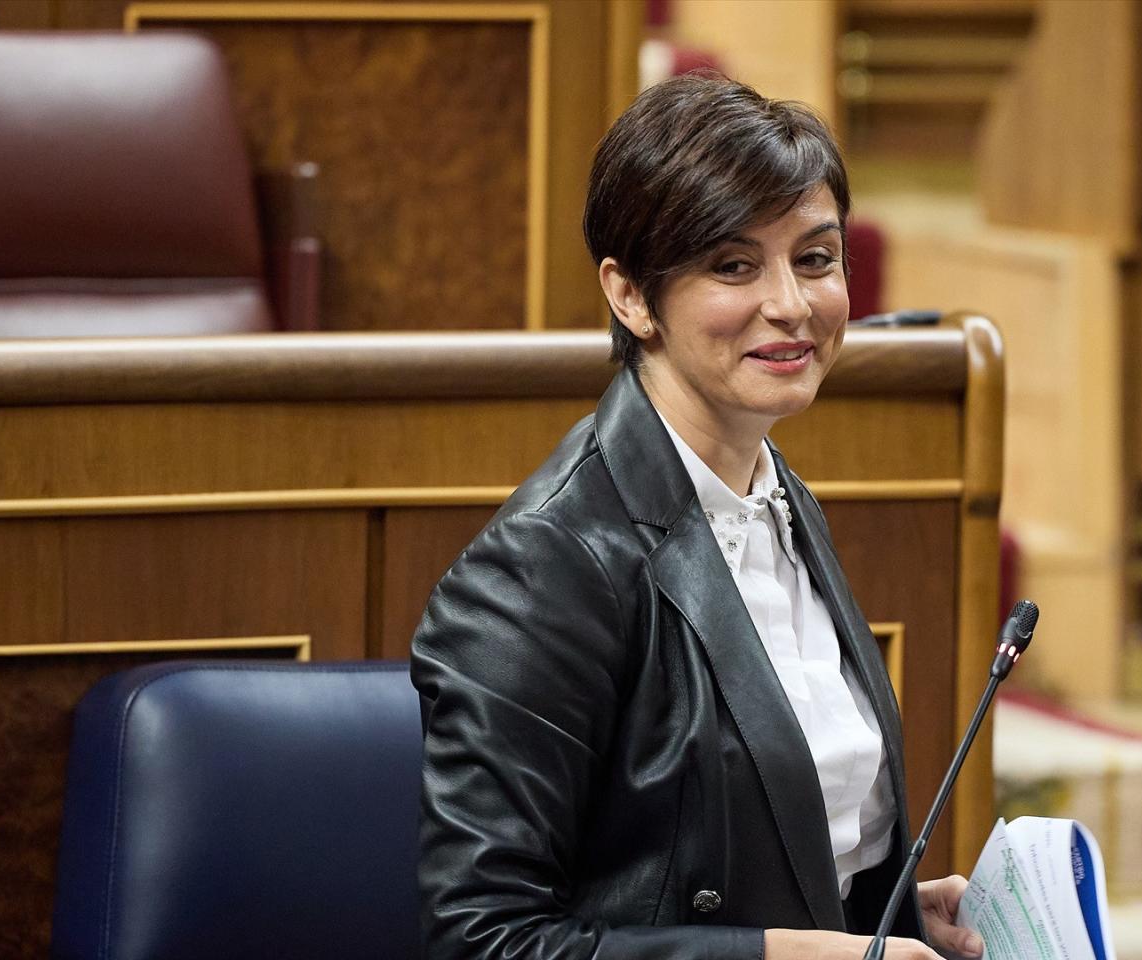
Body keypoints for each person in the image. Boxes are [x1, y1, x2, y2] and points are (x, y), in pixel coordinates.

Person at [411, 74, 984, 960]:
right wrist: (782, 957)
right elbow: (482, 941)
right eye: (732, 265)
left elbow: (779, 833)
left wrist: (889, 917)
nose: (791, 303)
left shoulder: (776, 490)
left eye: (817, 258)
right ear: (631, 294)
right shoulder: (545, 565)